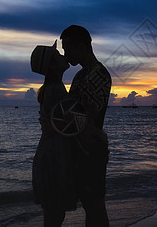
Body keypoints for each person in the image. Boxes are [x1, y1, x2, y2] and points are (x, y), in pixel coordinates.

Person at [61, 25, 112, 227]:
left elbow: (88, 117)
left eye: (67, 48)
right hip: (82, 148)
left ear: (81, 46)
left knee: (95, 205)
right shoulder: (80, 75)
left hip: (90, 149)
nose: (65, 54)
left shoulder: (98, 74)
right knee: (90, 205)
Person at [31, 41, 78, 227]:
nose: (62, 55)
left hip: (50, 155)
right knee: (55, 216)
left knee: (54, 215)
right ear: (52, 64)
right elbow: (71, 123)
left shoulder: (53, 88)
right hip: (53, 158)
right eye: (57, 55)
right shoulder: (56, 89)